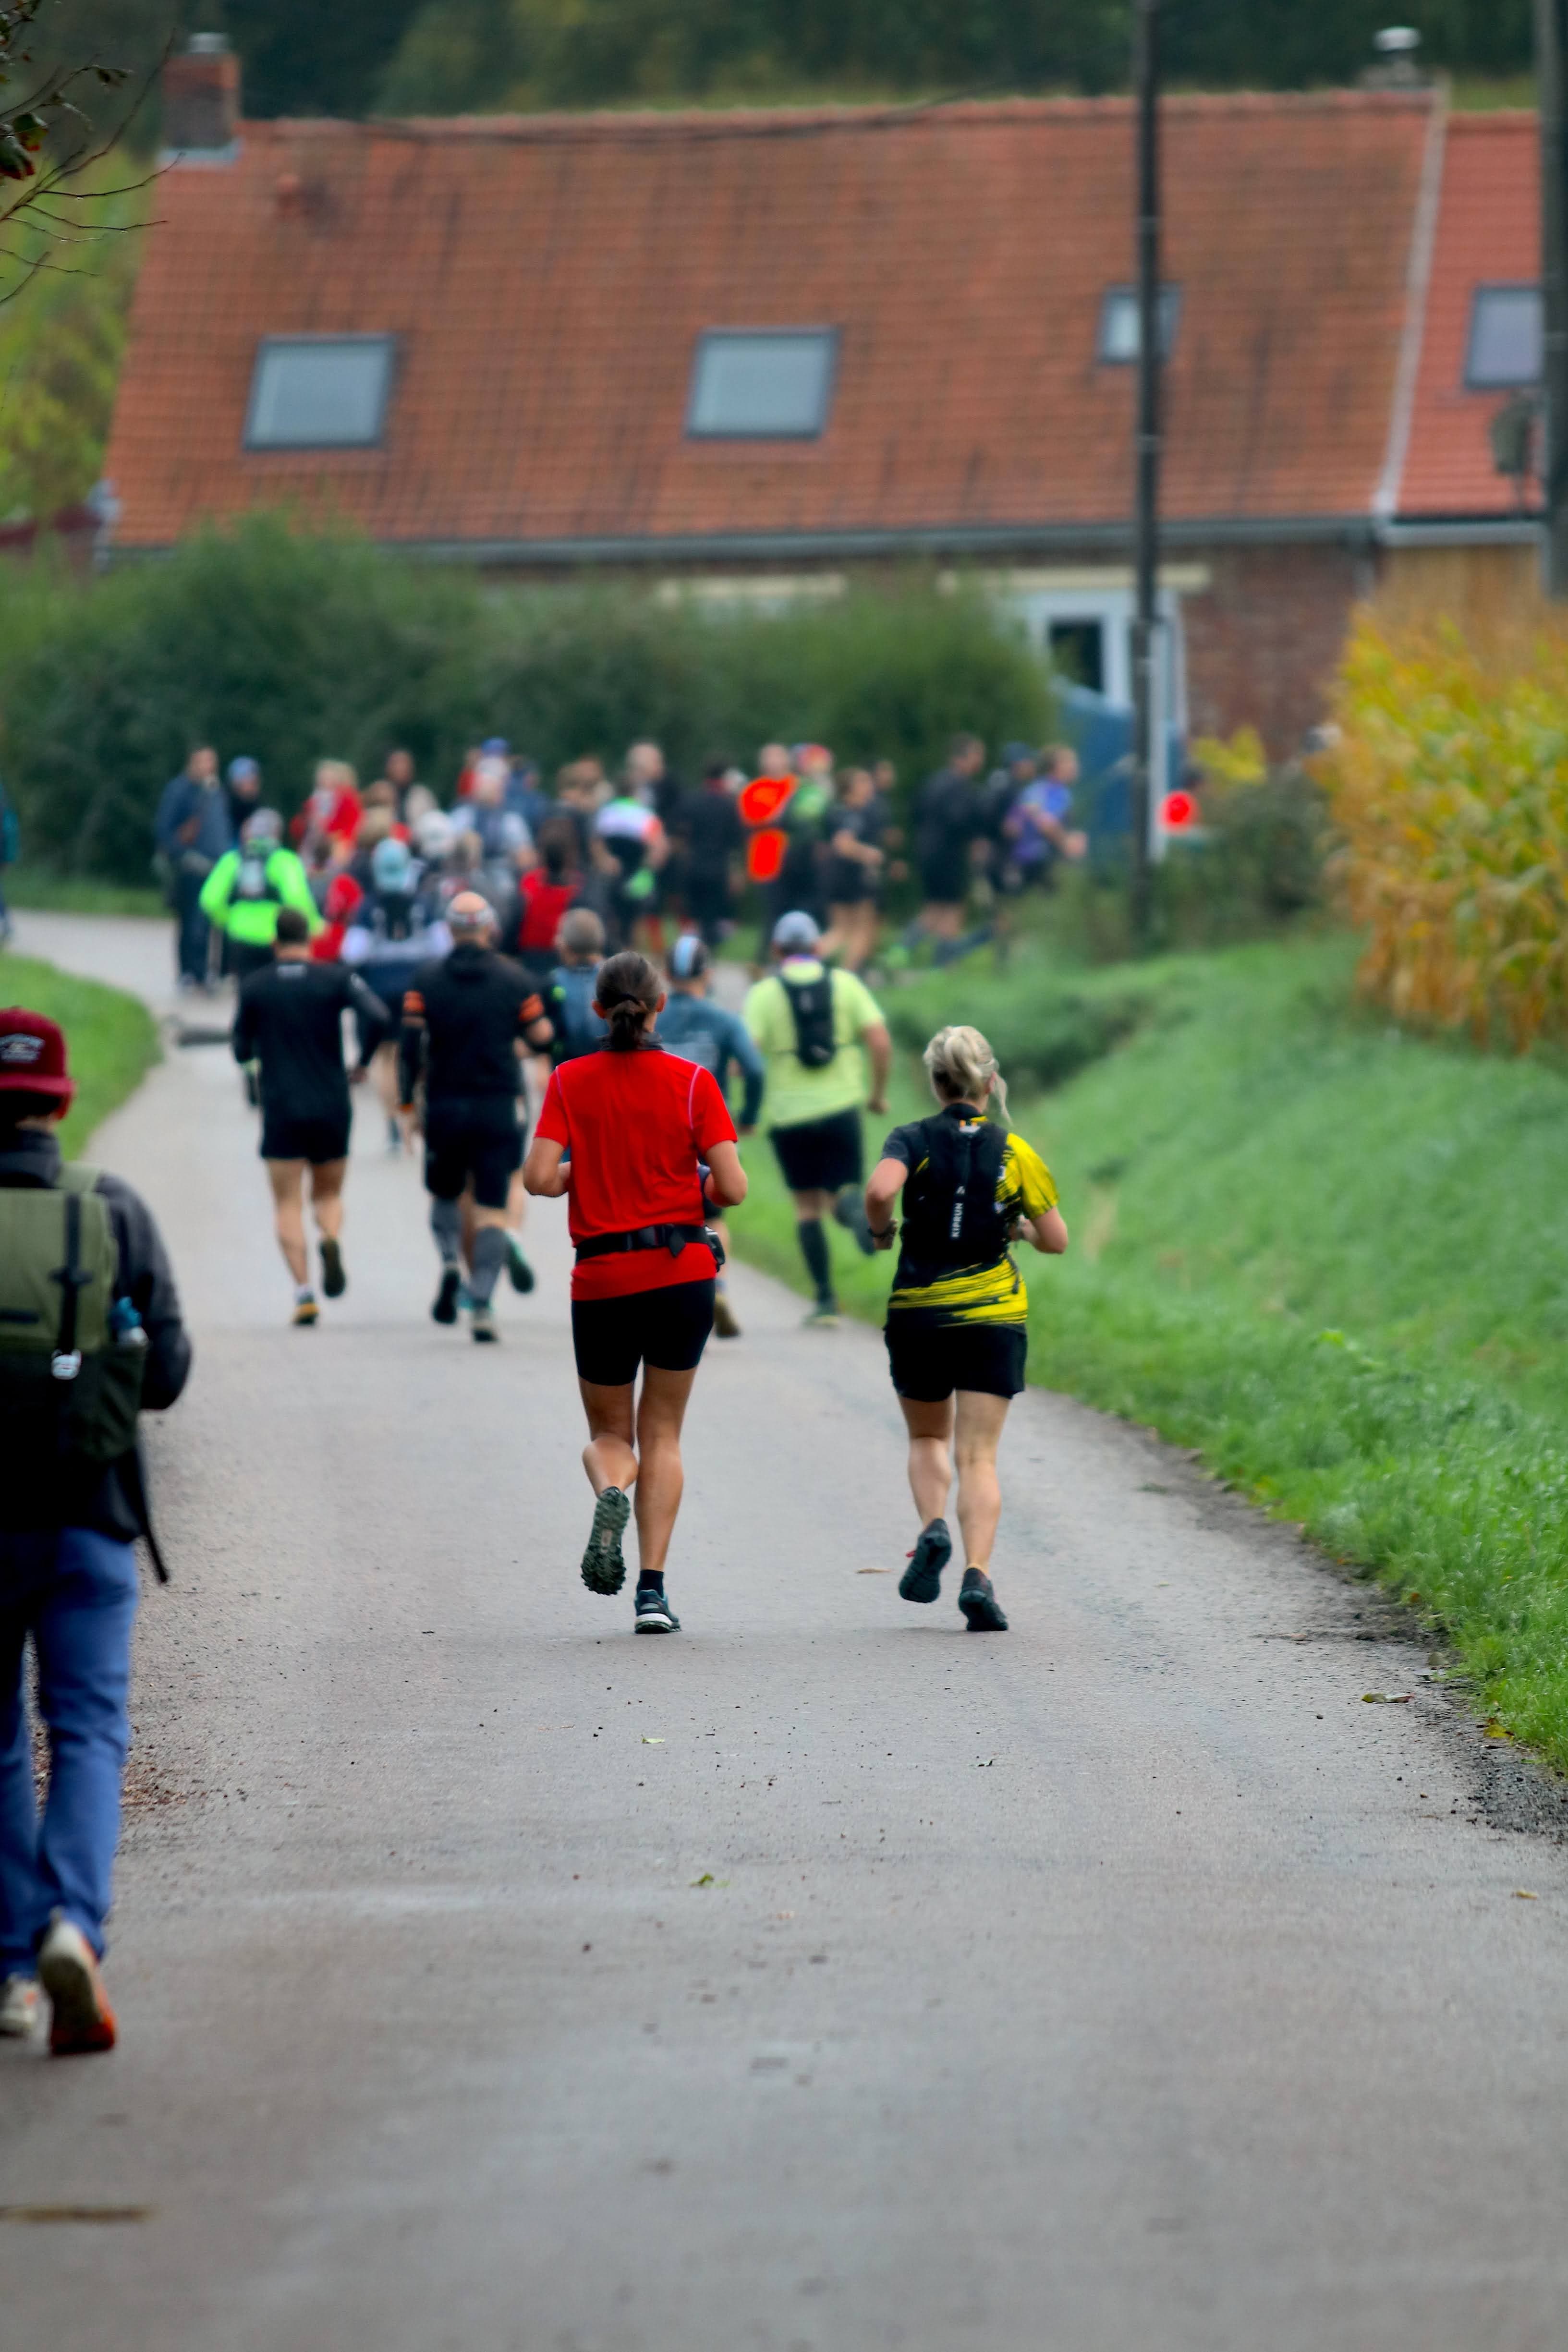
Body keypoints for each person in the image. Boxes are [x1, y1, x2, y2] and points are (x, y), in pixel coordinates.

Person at [0, 1007, 190, 2054]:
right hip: (89, 1516)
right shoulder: (112, 1207)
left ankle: (10, 1970)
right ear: (61, 1103)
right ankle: (73, 1921)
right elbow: (165, 1373)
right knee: (86, 1731)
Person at [523, 951, 747, 1633]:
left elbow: (537, 1178)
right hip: (681, 1275)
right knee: (665, 1433)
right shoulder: (693, 1083)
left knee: (610, 1435)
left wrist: (579, 1174)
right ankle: (651, 1591)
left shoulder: (569, 1080)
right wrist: (688, 1188)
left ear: (597, 1010)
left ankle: (612, 1489)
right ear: (659, 1007)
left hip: (603, 1279)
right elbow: (732, 1189)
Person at [863, 1025, 1067, 1633]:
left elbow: (879, 1191)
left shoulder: (911, 1138)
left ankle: (932, 1528)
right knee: (978, 1456)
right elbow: (1055, 1239)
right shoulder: (1014, 1149)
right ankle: (977, 1575)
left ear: (935, 1080)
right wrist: (1019, 1230)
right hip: (993, 1318)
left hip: (919, 1315)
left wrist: (881, 1232)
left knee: (928, 1439)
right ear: (990, 1080)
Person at [398, 892, 553, 1343]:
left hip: (445, 1103)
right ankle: (483, 1299)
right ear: (489, 929)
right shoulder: (514, 978)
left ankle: (449, 1260)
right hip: (498, 1106)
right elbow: (542, 1036)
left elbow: (408, 1048)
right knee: (491, 1208)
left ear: (449, 929)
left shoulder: (426, 980)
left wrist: (408, 1105)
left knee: (446, 1196)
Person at [232, 908, 390, 1325]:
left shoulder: (256, 986)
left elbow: (240, 1048)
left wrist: (252, 1057)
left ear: (274, 941)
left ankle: (304, 1293)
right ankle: (331, 1236)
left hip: (282, 1105)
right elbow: (377, 1015)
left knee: (287, 1201)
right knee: (329, 1194)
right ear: (311, 939)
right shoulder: (334, 978)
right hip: (331, 1103)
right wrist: (363, 1061)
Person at [743, 910, 892, 1328]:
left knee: (807, 1207)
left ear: (776, 950)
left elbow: (746, 1060)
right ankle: (855, 1212)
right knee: (842, 1190)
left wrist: (750, 1110)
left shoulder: (764, 993)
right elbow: (879, 1041)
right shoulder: (846, 984)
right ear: (817, 947)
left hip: (789, 1117)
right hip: (842, 1107)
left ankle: (826, 1300)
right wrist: (877, 1095)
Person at [657, 935, 765, 1339]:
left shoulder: (655, 1019)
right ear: (708, 974)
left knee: (665, 1214)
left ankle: (671, 1293)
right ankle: (716, 1284)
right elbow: (754, 1068)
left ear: (666, 975)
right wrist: (749, 1116)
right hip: (709, 1136)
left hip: (660, 1135)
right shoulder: (723, 1021)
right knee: (714, 1215)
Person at [342, 837, 451, 1151]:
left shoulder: (369, 907)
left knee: (385, 1058)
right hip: (417, 993)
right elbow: (442, 947)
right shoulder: (423, 905)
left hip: (377, 996)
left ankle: (392, 1121)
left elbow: (352, 952)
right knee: (417, 1054)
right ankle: (412, 1109)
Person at [199, 808, 321, 984]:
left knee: (248, 991)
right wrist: (313, 928)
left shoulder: (233, 859)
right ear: (277, 833)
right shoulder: (286, 861)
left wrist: (229, 919)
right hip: (276, 939)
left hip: (240, 936)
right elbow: (297, 899)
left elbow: (209, 900)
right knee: (276, 993)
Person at [904, 734, 986, 964]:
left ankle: (899, 953)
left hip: (926, 851)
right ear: (963, 757)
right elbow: (959, 820)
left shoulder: (933, 782)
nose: (980, 761)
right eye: (977, 755)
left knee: (932, 910)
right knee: (952, 908)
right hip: (948, 855)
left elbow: (916, 812)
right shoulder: (961, 787)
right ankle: (942, 962)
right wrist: (975, 838)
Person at [154, 746, 230, 990]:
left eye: (211, 762)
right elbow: (164, 828)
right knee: (191, 922)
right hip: (191, 866)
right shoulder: (180, 790)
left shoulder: (216, 792)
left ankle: (207, 972)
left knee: (211, 922)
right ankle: (189, 972)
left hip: (216, 866)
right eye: (203, 761)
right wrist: (181, 854)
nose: (208, 766)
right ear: (191, 763)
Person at [819, 766, 887, 973]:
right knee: (862, 930)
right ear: (849, 790)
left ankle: (794, 965)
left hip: (835, 875)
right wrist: (870, 854)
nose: (869, 786)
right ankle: (847, 977)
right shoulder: (854, 815)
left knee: (840, 930)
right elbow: (843, 844)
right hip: (853, 877)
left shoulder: (838, 812)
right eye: (863, 782)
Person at [676, 760, 744, 946]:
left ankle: (692, 951)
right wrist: (736, 872)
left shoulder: (692, 801)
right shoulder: (730, 806)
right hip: (719, 867)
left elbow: (681, 835)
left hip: (694, 864)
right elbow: (736, 843)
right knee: (713, 917)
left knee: (694, 914)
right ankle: (709, 954)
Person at [511, 816, 583, 983]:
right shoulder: (577, 890)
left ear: (542, 854)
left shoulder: (528, 886)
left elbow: (515, 925)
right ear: (570, 856)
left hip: (529, 962)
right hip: (565, 963)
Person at [1010, 744, 1089, 885]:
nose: (1076, 766)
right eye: (1070, 762)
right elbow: (1043, 822)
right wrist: (1067, 842)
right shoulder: (1041, 790)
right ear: (1057, 766)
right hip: (1029, 864)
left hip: (1043, 864)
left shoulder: (1060, 792)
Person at [544, 908, 610, 1065]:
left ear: (564, 945)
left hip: (567, 1063)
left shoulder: (554, 981)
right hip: (608, 1061)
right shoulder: (615, 975)